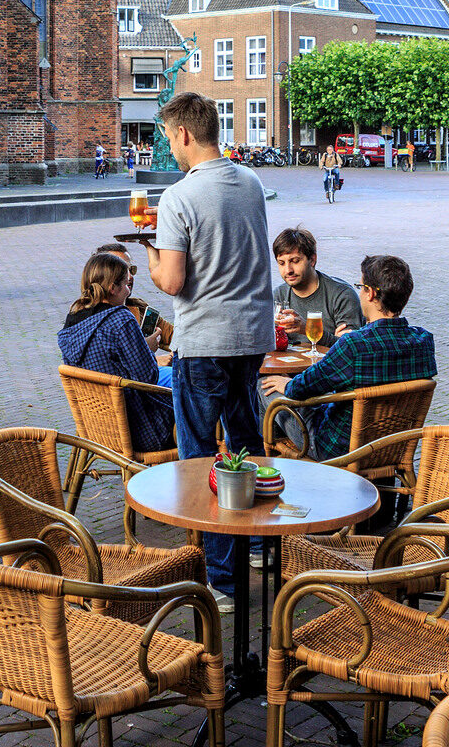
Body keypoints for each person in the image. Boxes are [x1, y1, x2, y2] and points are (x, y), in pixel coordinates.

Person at [146, 92, 274, 604]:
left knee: (200, 458)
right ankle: (261, 544)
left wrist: (152, 256)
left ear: (183, 135)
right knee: (247, 443)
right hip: (252, 335)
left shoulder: (178, 196)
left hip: (204, 340)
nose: (169, 149)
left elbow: (174, 282)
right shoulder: (252, 182)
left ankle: (222, 580)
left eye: (168, 139)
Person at [259, 254, 436, 460]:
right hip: (392, 447)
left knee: (264, 387)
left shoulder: (353, 346)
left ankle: (273, 469)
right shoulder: (423, 341)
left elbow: (301, 388)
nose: (359, 292)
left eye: (360, 287)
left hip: (339, 450)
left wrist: (286, 384)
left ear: (369, 293)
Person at [58, 252, 175, 452]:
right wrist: (147, 349)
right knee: (192, 391)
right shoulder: (121, 319)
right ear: (112, 288)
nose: (129, 291)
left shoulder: (72, 321)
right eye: (126, 285)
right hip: (142, 430)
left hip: (98, 430)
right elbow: (148, 377)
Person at [96, 241, 172, 387]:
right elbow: (103, 367)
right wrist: (153, 360)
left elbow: (173, 336)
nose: (129, 276)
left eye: (131, 269)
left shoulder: (139, 308)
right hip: (127, 392)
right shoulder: (93, 318)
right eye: (121, 271)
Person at [272, 226, 362, 347]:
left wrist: (308, 329)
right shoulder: (278, 295)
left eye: (295, 261)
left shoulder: (342, 295)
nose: (288, 270)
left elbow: (350, 348)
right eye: (281, 263)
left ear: (312, 260)